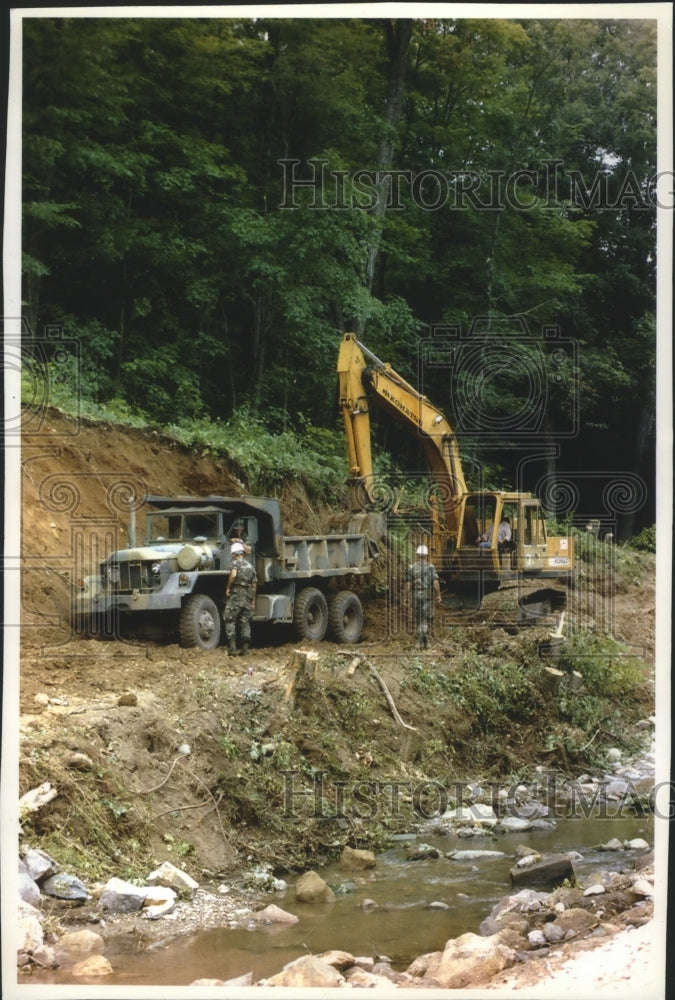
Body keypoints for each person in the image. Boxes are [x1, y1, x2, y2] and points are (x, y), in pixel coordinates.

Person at [405, 544, 441, 650]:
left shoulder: (411, 568)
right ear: (426, 556)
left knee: (419, 619)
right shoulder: (431, 567)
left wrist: (406, 597)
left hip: (416, 596)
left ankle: (422, 642)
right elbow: (435, 582)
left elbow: (408, 584)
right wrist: (438, 595)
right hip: (427, 596)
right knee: (426, 618)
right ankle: (424, 641)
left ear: (417, 555)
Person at [224, 541, 257, 656]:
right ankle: (245, 649)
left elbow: (233, 575)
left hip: (236, 596)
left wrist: (228, 587)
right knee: (245, 621)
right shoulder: (251, 567)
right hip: (247, 597)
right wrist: (252, 600)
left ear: (234, 554)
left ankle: (232, 648)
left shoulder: (235, 564)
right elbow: (254, 585)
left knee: (229, 619)